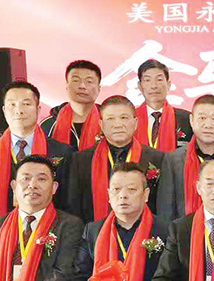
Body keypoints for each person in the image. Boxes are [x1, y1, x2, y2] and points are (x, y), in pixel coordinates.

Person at [56, 162, 167, 281]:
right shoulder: (93, 231)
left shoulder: (165, 230)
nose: (123, 195)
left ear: (146, 194)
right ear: (108, 195)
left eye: (131, 189)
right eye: (116, 189)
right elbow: (79, 278)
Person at [0, 81, 73, 232]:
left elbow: (69, 203)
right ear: (4, 110)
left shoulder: (62, 152)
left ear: (38, 109)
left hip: (49, 234)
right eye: (12, 105)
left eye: (26, 104)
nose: (19, 110)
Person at [157, 95, 214, 226]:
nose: (208, 125)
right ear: (191, 120)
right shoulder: (173, 160)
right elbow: (166, 211)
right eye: (202, 118)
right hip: (187, 234)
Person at [69, 95, 166, 223]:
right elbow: (73, 208)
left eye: (124, 118)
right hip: (94, 232)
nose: (118, 125)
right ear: (101, 124)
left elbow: (163, 205)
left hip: (145, 231)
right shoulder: (80, 161)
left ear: (136, 123)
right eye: (110, 119)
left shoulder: (158, 158)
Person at [40, 60, 103, 151]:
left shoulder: (108, 122)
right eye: (76, 80)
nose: (82, 86)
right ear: (67, 86)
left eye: (89, 81)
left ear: (98, 89)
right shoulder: (48, 125)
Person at [133, 59, 193, 152]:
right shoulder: (130, 118)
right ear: (140, 86)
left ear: (168, 85)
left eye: (159, 80)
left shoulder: (187, 119)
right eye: (147, 80)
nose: (154, 86)